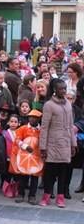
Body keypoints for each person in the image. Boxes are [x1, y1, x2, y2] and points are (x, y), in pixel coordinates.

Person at [39, 80, 76, 208]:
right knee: (50, 171)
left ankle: (60, 197)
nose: (64, 91)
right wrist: (43, 147)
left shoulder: (68, 105)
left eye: (65, 89)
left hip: (65, 142)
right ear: (55, 89)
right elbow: (44, 127)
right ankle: (47, 195)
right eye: (61, 89)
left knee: (63, 171)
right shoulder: (49, 105)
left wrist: (73, 143)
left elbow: (71, 126)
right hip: (53, 143)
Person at [11, 110, 43, 205]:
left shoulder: (41, 131)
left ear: (39, 119)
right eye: (31, 117)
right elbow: (17, 140)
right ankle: (21, 193)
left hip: (36, 157)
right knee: (23, 176)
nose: (32, 119)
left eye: (35, 117)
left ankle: (32, 195)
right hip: (24, 156)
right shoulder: (23, 129)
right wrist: (25, 146)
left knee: (35, 177)